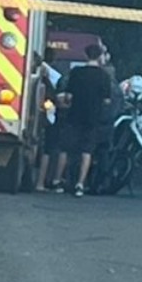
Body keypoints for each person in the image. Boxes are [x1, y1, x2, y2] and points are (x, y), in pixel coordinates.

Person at [53, 43, 112, 197]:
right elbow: (107, 101)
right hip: (93, 118)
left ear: (86, 55)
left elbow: (68, 96)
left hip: (74, 116)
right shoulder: (104, 76)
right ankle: (80, 184)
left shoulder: (76, 73)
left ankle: (57, 180)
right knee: (87, 151)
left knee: (65, 148)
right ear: (99, 56)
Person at [33, 49, 64, 191]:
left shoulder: (42, 74)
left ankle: (40, 182)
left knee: (45, 150)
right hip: (49, 117)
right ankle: (41, 182)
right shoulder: (54, 77)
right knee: (47, 150)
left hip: (42, 115)